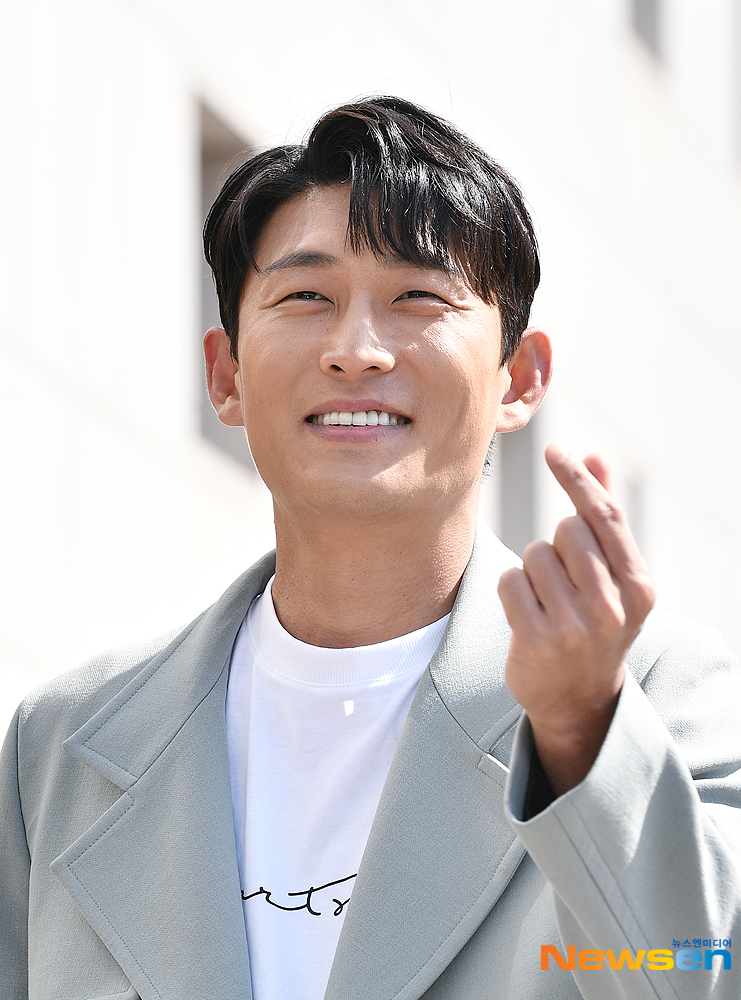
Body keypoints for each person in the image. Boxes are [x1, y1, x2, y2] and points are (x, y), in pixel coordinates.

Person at [1, 96, 739, 1000]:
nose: (357, 351)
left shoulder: (666, 696)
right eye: (305, 296)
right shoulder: (62, 746)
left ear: (521, 376)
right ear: (226, 375)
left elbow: (694, 975)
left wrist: (584, 734)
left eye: (418, 298)